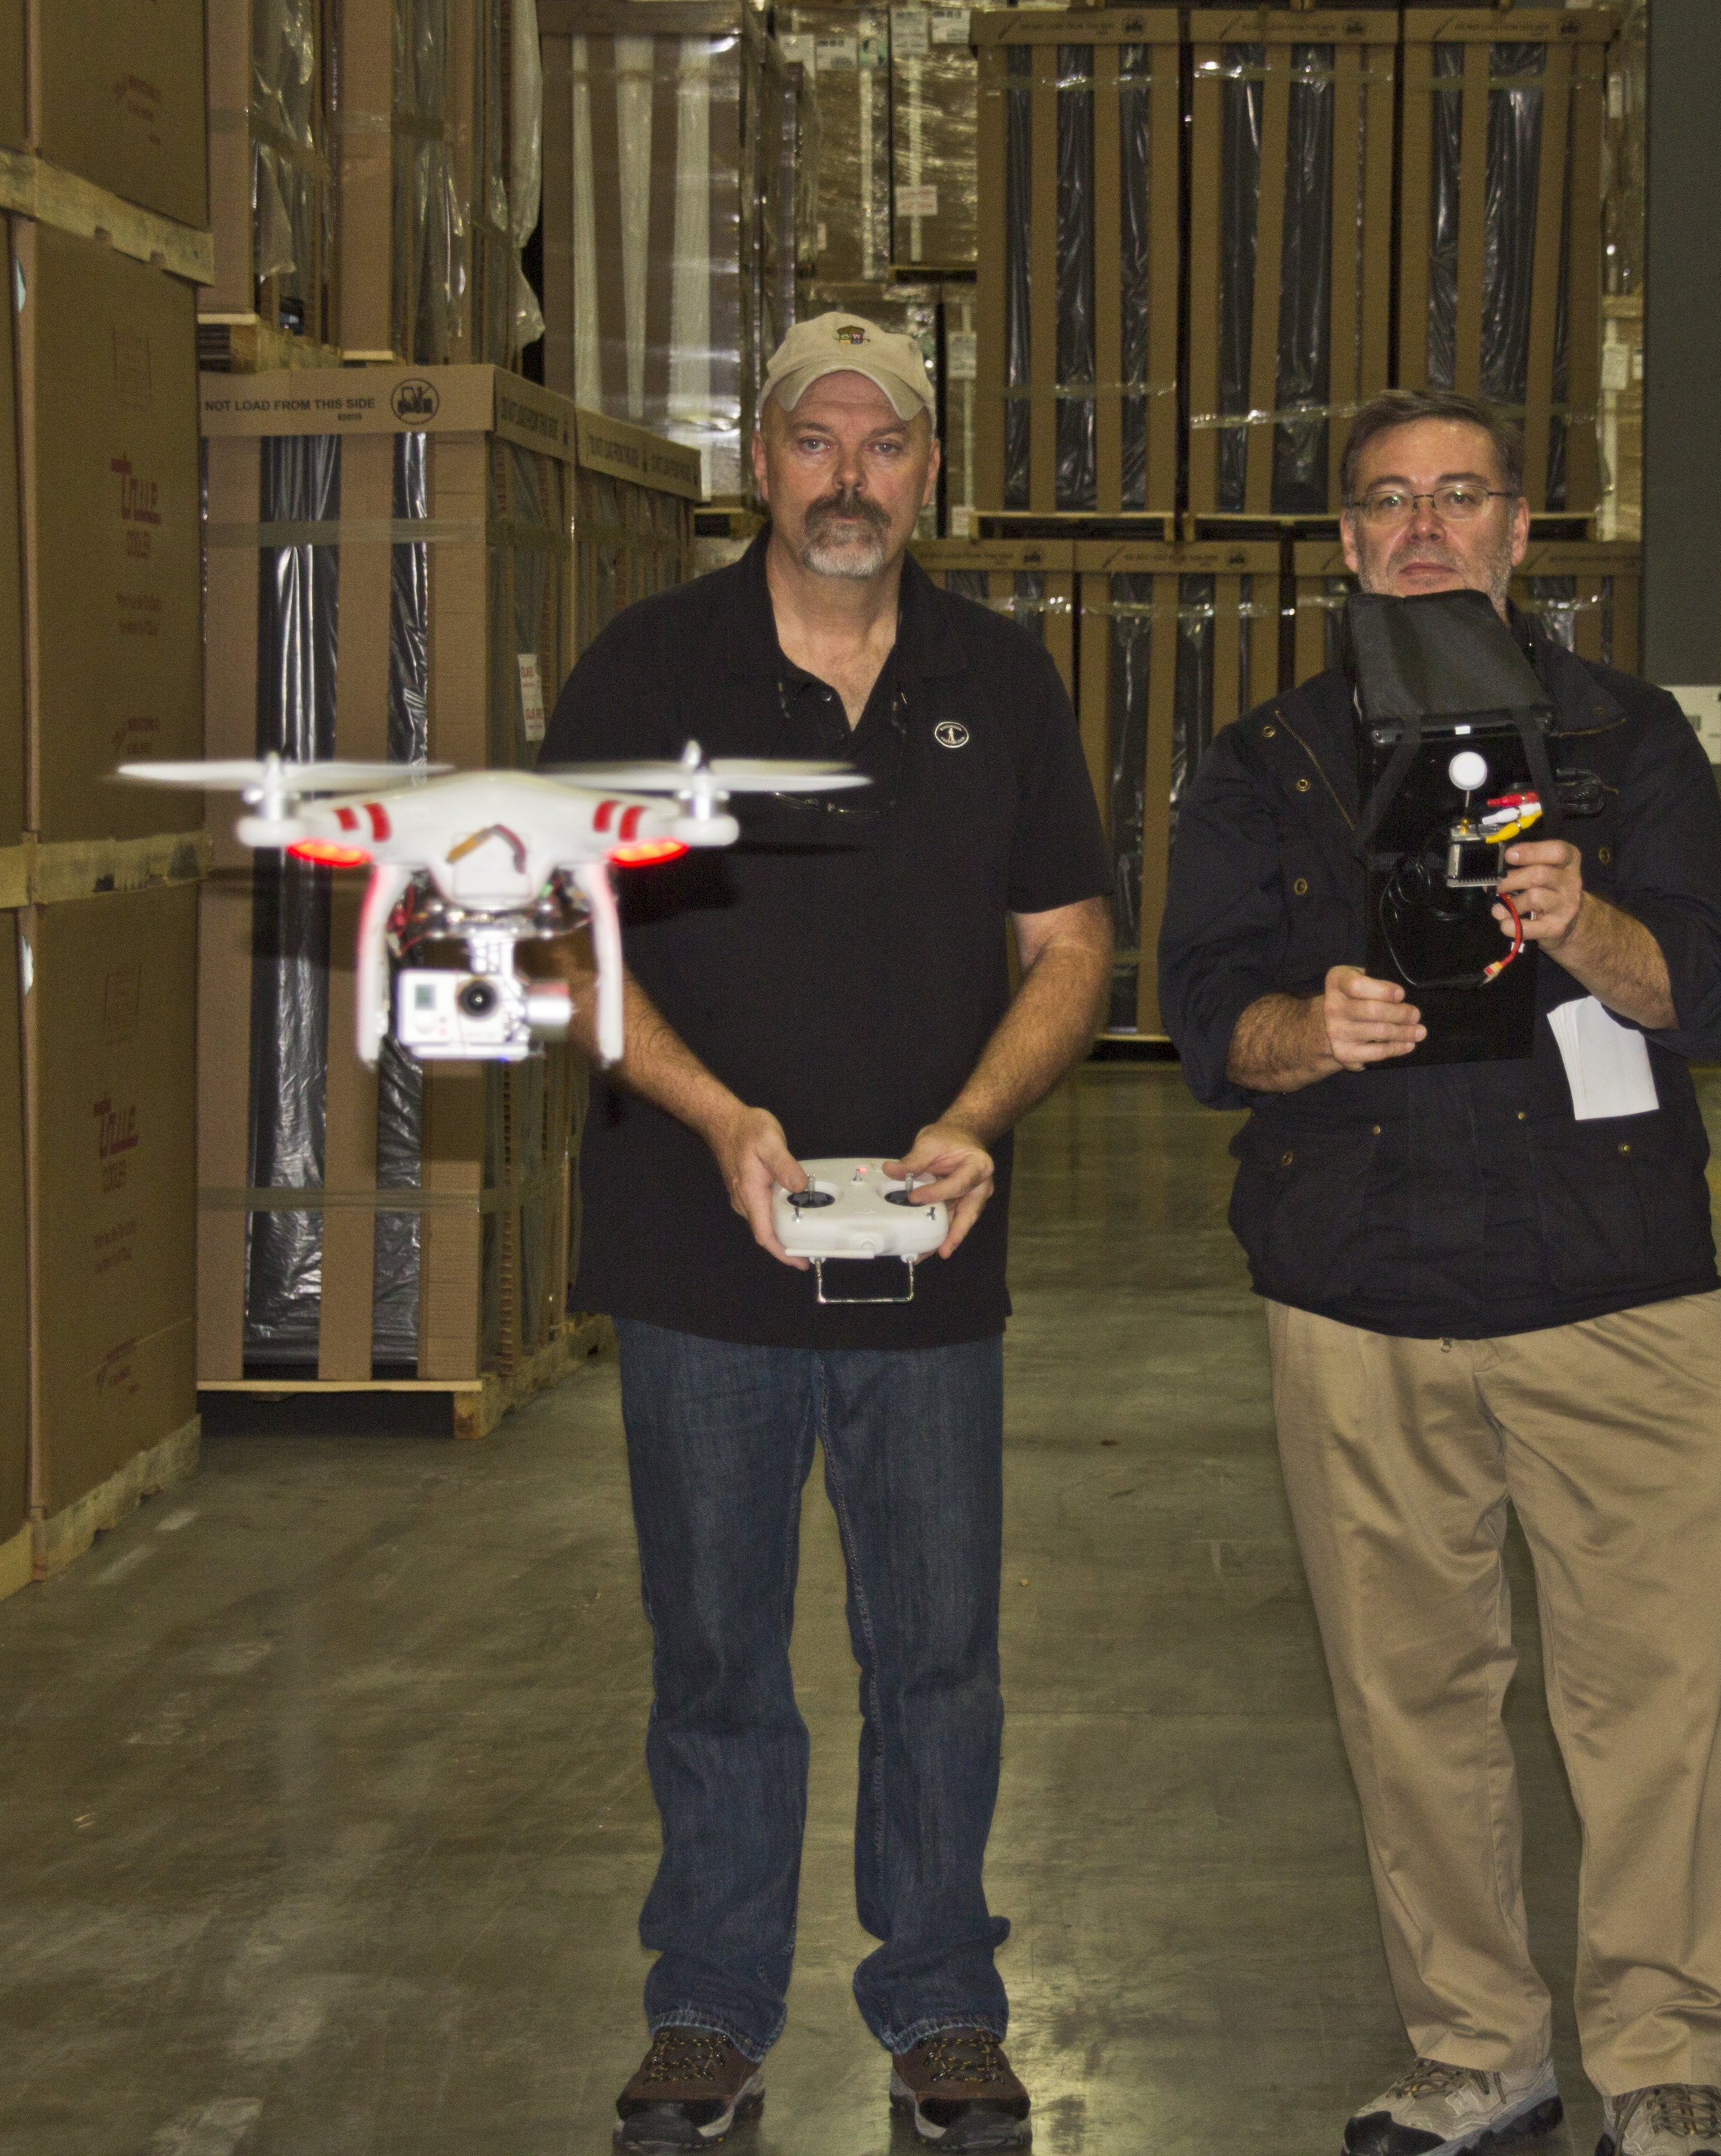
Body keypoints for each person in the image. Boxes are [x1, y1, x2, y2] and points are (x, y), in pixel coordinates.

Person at [1156, 391, 1721, 2156]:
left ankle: (1665, 2054)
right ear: (1347, 542)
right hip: (1362, 1295)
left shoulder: (1630, 740)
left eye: (1460, 496)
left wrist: (1584, 921)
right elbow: (1203, 1013)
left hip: (1616, 1289)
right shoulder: (1265, 761)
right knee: (1406, 1699)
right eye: (1389, 502)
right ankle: (1478, 2046)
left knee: (1658, 1697)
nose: (1424, 529)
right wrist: (1310, 1028)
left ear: (1517, 531)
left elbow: (1702, 988)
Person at [544, 313, 1112, 2153]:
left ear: (930, 470)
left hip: (924, 1258)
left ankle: (941, 2003)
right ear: (761, 463)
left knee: (936, 1654)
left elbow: (1071, 947)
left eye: (885, 443)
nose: (848, 476)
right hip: (699, 1255)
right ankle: (709, 2009)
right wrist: (718, 1119)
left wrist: (974, 1122)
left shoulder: (998, 683)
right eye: (816, 439)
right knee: (717, 1655)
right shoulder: (651, 669)